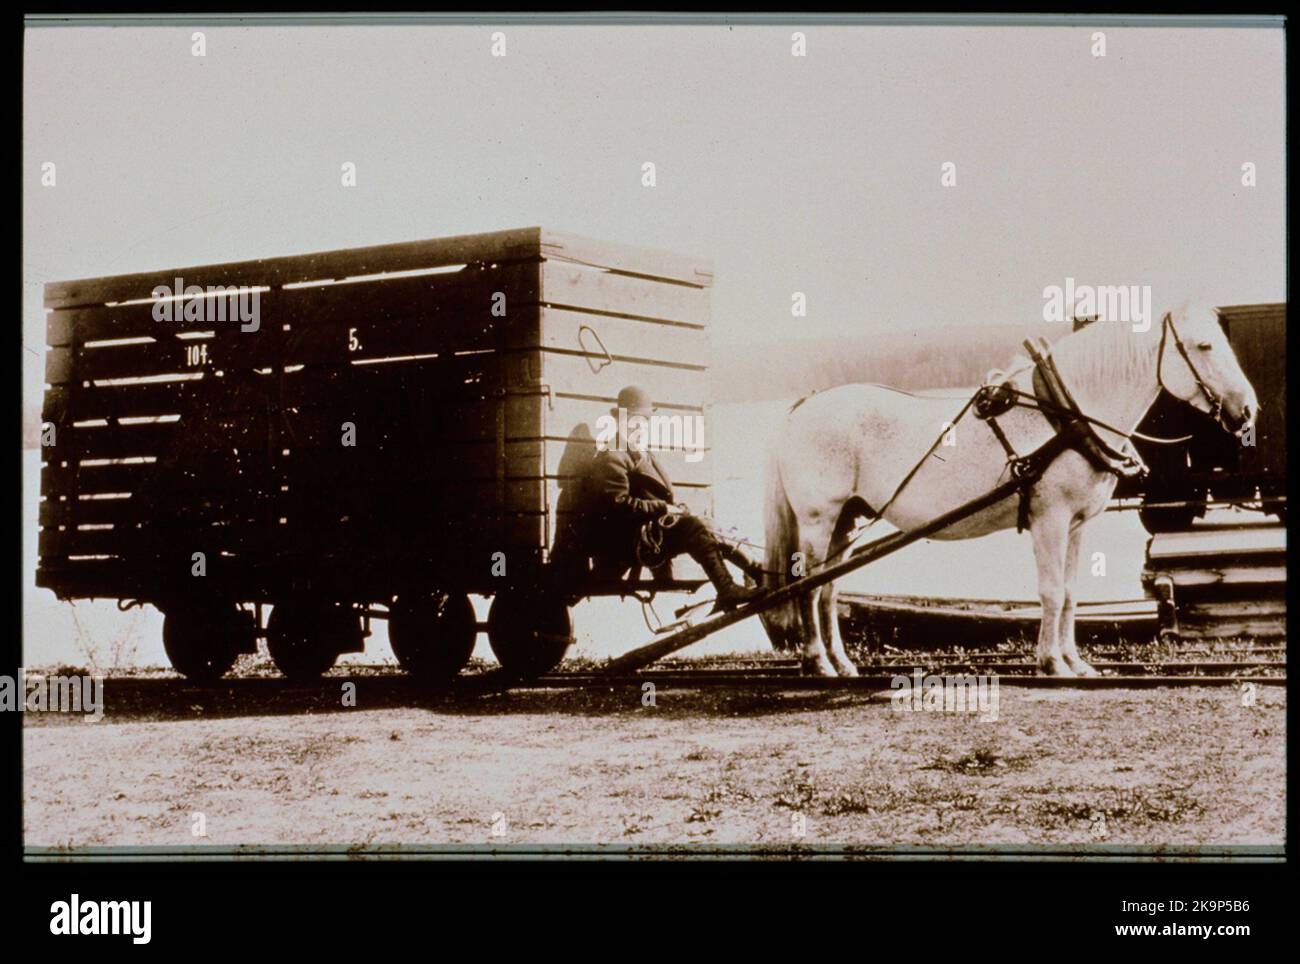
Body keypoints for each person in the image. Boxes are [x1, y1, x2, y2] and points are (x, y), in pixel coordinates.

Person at [578, 385, 760, 612]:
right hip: (628, 541)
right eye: (635, 421)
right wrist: (664, 508)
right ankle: (727, 589)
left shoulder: (641, 452)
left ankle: (757, 571)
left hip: (648, 532)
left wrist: (675, 508)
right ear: (620, 421)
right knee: (694, 526)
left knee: (704, 523)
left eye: (644, 421)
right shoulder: (613, 456)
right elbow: (619, 505)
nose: (640, 427)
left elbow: (651, 494)